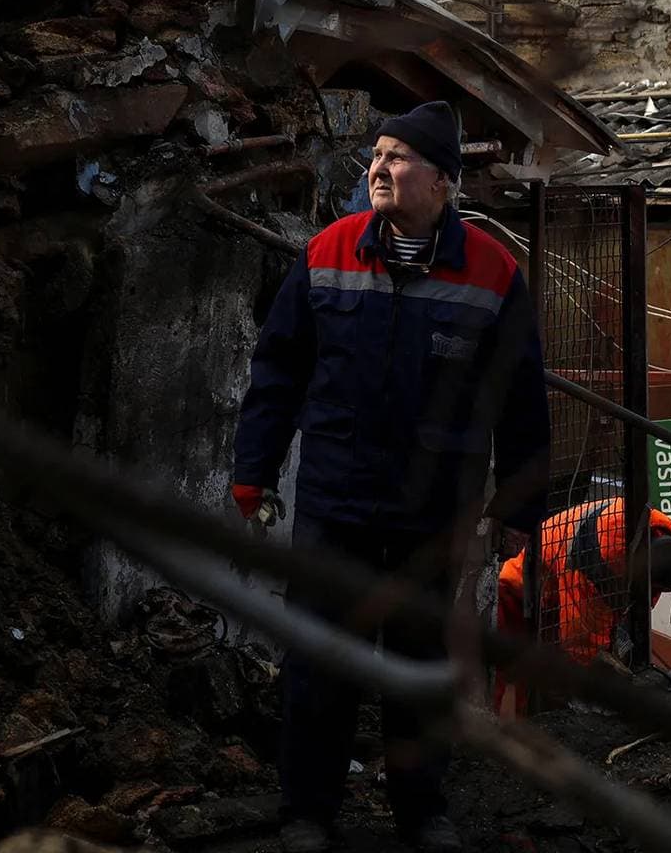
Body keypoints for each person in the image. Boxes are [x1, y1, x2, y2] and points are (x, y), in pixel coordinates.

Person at [232, 100, 550, 853]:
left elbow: (521, 397)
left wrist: (518, 507)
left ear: (442, 181)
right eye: (375, 156)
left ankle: (423, 813)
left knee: (422, 662)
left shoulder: (494, 273)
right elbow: (278, 371)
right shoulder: (327, 253)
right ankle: (307, 812)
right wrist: (255, 469)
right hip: (334, 501)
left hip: (434, 512)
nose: (377, 169)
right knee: (317, 661)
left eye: (397, 157)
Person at [493, 499, 671, 714]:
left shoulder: (656, 532)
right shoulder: (597, 563)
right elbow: (579, 643)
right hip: (520, 589)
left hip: (554, 593)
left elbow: (640, 595)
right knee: (514, 671)